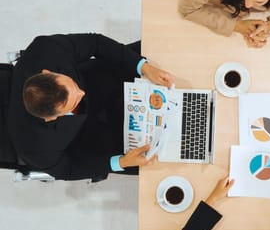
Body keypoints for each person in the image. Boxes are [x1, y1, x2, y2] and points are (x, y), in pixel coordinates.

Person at [7, 34, 173, 181]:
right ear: (51, 118)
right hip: (92, 137)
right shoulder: (36, 149)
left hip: (99, 78)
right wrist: (121, 162)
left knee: (167, 57)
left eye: (72, 84)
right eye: (73, 102)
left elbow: (96, 43)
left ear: (47, 72)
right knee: (165, 160)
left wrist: (143, 67)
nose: (81, 93)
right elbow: (68, 169)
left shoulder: (46, 49)